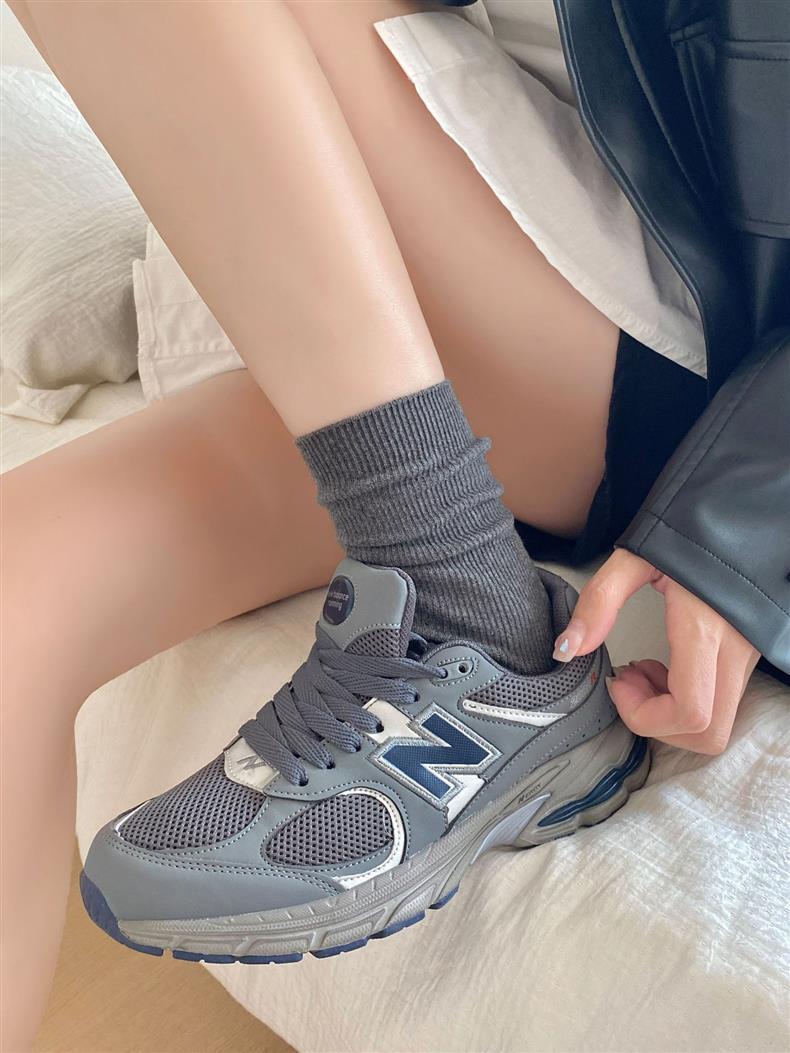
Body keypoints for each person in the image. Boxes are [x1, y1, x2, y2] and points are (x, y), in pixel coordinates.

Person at [2, 1, 787, 1049]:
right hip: (370, 317)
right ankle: (455, 573)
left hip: (651, 329)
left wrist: (748, 523)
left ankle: (456, 588)